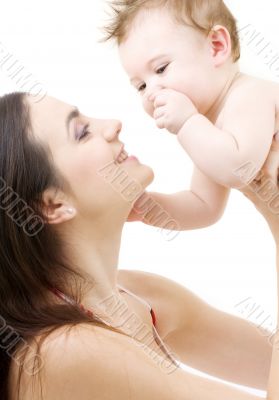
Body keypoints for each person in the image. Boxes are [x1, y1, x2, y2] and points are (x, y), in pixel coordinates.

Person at [0, 92, 274, 400]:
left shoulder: (139, 297)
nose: (113, 125)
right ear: (52, 206)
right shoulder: (66, 351)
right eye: (82, 132)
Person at [103, 0, 278, 232]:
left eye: (161, 69)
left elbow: (240, 170)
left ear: (216, 47)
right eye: (141, 86)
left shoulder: (249, 94)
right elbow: (204, 205)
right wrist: (148, 207)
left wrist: (187, 123)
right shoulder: (209, 131)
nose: (151, 92)